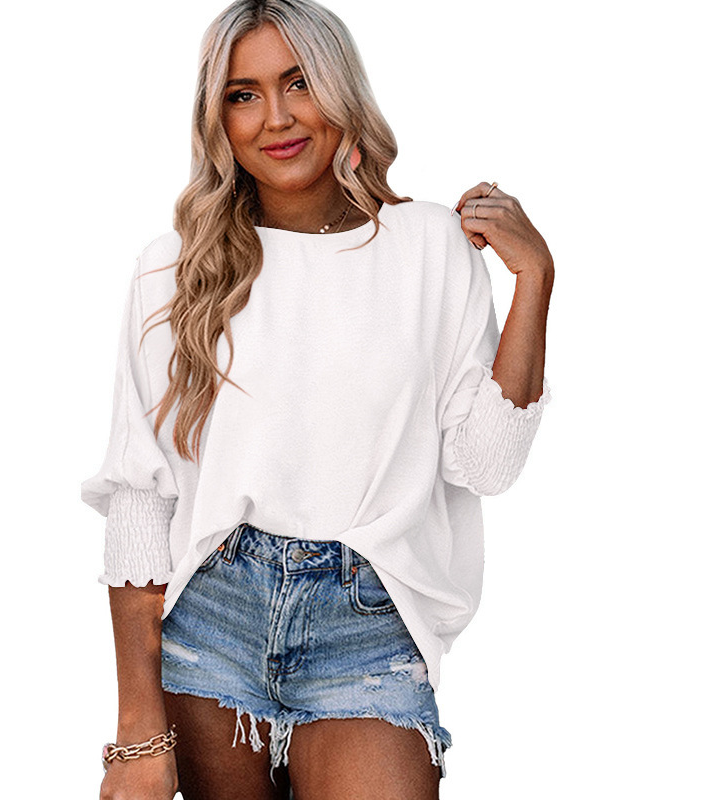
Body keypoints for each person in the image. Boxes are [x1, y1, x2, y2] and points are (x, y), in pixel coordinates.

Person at [81, 0, 554, 798]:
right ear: (218, 118)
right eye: (243, 94)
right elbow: (139, 500)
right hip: (213, 615)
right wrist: (137, 737)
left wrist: (534, 280)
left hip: (367, 619)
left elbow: (486, 464)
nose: (276, 117)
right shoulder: (174, 269)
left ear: (342, 89)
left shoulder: (429, 246)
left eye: (298, 82)